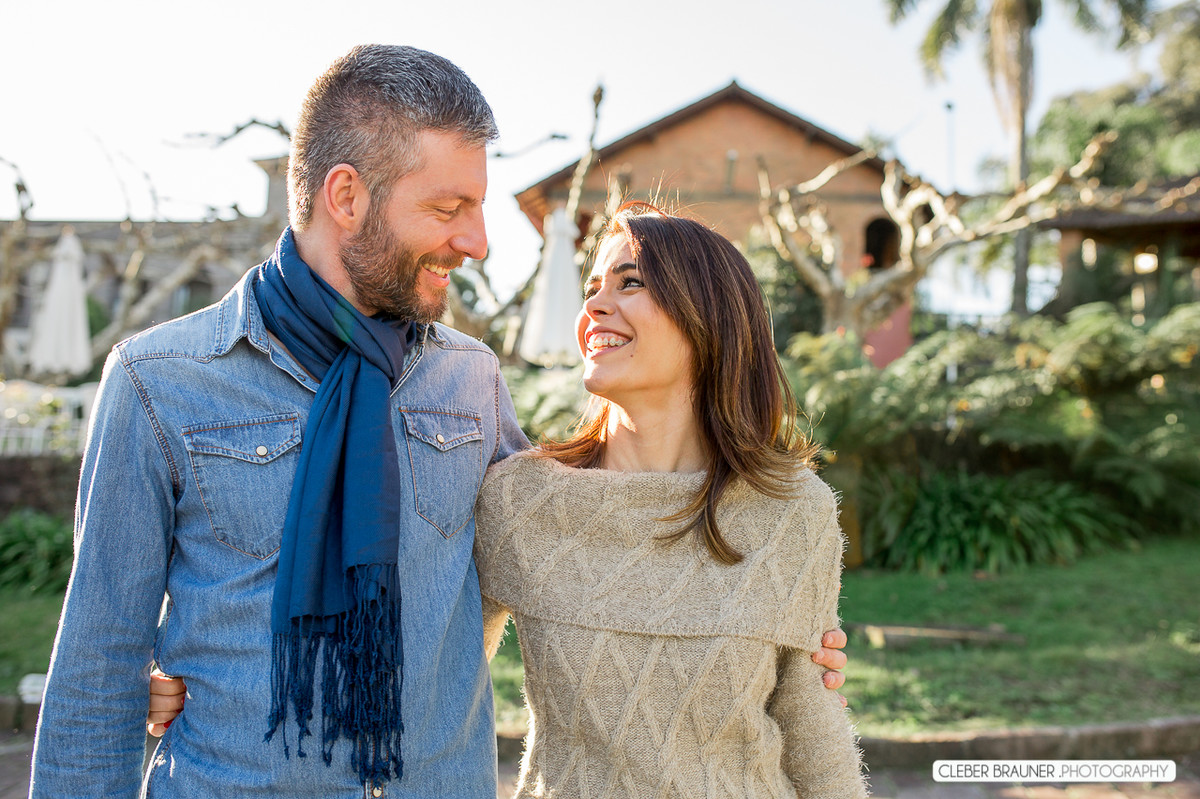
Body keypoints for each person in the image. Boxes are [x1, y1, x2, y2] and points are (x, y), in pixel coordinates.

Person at [33, 45, 849, 798]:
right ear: (346, 195)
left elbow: (594, 536)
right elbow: (95, 671)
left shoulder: (469, 377)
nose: (480, 241)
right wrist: (156, 671)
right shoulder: (158, 382)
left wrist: (782, 625)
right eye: (450, 206)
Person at [473, 202, 867, 797]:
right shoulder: (519, 499)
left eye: (630, 282)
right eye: (593, 287)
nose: (595, 306)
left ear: (709, 317)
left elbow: (812, 728)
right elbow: (434, 692)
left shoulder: (791, 509)